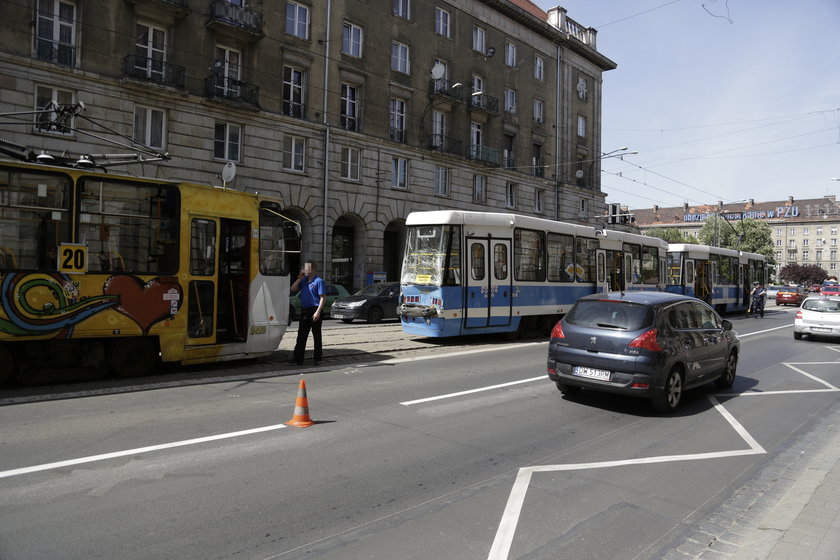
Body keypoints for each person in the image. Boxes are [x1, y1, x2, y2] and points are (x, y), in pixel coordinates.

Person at [290, 261, 326, 365]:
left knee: (316, 336)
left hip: (315, 310)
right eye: (304, 268)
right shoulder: (304, 280)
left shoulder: (319, 281)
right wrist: (299, 278)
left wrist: (318, 312)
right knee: (301, 335)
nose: (304, 270)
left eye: (307, 268)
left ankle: (317, 359)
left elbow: (322, 298)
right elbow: (292, 288)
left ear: (313, 269)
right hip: (305, 311)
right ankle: (298, 358)